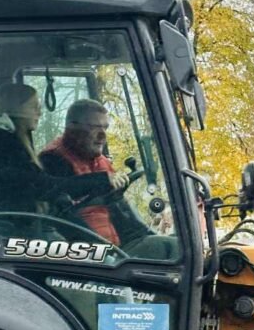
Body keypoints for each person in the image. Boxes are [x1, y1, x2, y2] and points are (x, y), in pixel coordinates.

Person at [40, 99, 178, 258]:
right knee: (174, 251)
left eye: (105, 128)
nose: (103, 136)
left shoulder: (101, 161)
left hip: (118, 248)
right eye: (94, 127)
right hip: (91, 257)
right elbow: (64, 219)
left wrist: (145, 234)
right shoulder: (53, 160)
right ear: (72, 129)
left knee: (176, 246)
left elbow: (119, 208)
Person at [0, 83, 117, 218]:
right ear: (17, 108)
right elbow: (42, 186)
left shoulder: (14, 138)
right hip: (11, 223)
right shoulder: (2, 141)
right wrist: (99, 180)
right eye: (34, 107)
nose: (39, 113)